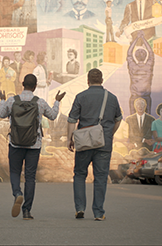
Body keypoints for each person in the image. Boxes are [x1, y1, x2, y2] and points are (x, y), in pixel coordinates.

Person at [0, 74, 66, 219]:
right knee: (30, 177)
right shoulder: (39, 102)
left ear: (22, 84)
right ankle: (27, 211)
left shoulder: (12, 100)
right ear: (35, 87)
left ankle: (17, 193)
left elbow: (1, 113)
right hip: (34, 144)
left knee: (15, 172)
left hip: (15, 143)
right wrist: (57, 102)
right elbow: (53, 116)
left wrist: (2, 100)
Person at [67, 68, 122, 221]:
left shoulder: (80, 96)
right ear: (102, 80)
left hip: (84, 143)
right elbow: (118, 119)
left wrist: (69, 139)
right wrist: (109, 133)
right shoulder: (111, 98)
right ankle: (98, 213)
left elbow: (72, 120)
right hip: (103, 143)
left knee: (79, 174)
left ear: (88, 81)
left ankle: (80, 209)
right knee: (101, 177)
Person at [127, 30, 155, 115]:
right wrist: (143, 38)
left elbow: (129, 53)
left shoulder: (133, 66)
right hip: (146, 97)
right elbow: (151, 53)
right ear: (145, 56)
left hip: (134, 96)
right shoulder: (148, 66)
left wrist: (137, 38)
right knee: (148, 118)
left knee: (132, 118)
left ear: (135, 56)